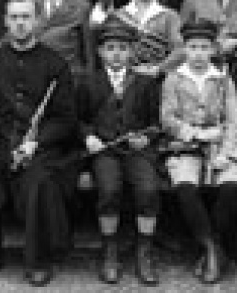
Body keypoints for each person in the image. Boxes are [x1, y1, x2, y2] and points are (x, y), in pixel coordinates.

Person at [0, 0, 79, 287]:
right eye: (15, 17)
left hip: (42, 146)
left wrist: (37, 142)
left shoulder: (56, 64)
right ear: (6, 21)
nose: (20, 23)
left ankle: (37, 259)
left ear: (36, 21)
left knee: (38, 184)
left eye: (26, 17)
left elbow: (65, 118)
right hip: (2, 141)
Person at [75, 22, 165, 284]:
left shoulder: (146, 82)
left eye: (123, 48)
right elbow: (79, 119)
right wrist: (89, 136)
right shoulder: (89, 82)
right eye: (110, 48)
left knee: (148, 191)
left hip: (138, 152)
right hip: (105, 152)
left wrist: (146, 136)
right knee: (109, 190)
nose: (116, 54)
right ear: (101, 52)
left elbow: (156, 122)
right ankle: (109, 251)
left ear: (132, 51)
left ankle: (144, 252)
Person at [160, 20, 237, 284]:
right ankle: (211, 249)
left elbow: (234, 121)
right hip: (185, 147)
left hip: (219, 146)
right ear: (184, 49)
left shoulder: (223, 80)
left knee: (230, 186)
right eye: (192, 47)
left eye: (204, 47)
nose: (197, 53)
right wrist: (196, 134)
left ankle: (213, 249)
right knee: (186, 188)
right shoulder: (173, 79)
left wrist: (226, 152)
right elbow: (168, 119)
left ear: (213, 50)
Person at [108, 0, 185, 74]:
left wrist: (158, 68)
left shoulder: (170, 16)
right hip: (126, 77)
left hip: (159, 78)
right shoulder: (117, 16)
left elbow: (180, 49)